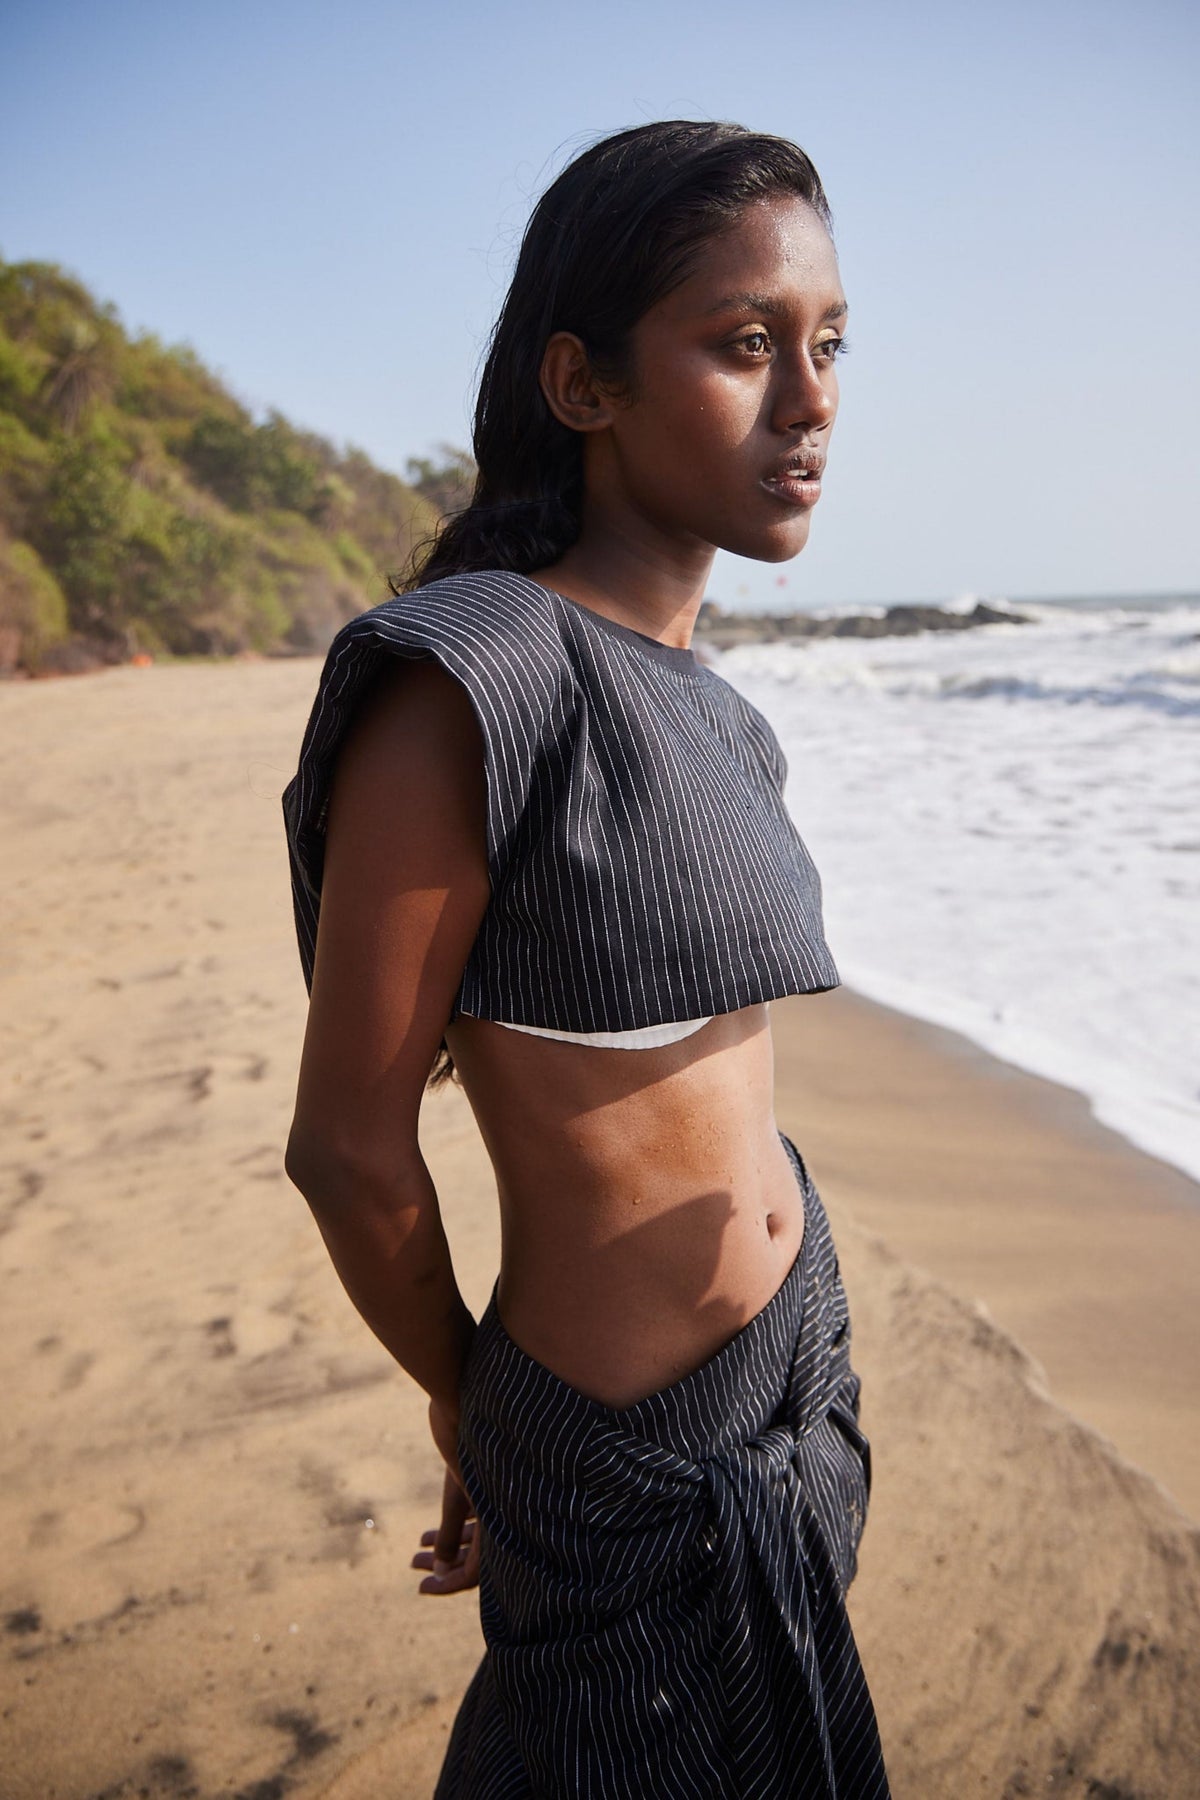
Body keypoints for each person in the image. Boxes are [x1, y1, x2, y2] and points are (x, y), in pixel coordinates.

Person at [283, 120, 890, 1799]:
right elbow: (346, 1145)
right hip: (626, 1462)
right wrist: (472, 1401)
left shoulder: (719, 709)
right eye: (745, 342)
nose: (813, 398)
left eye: (829, 345)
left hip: (795, 1391)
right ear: (585, 381)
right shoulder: (473, 676)